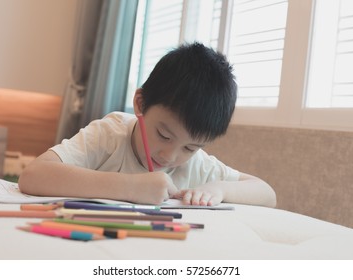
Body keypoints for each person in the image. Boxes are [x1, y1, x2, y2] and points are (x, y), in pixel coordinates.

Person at [19, 42, 276, 207]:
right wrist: (130, 187)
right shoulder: (109, 135)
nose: (171, 155)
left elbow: (267, 194)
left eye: (190, 147)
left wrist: (218, 189)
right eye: (164, 135)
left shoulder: (196, 165)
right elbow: (33, 176)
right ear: (140, 104)